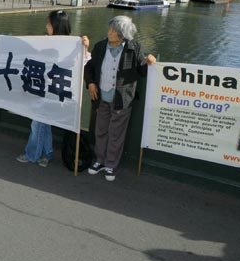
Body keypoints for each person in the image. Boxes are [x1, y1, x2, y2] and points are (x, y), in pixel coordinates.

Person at [84, 15, 156, 182]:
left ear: (122, 34)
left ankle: (111, 164)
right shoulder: (100, 46)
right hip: (101, 96)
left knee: (116, 134)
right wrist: (91, 83)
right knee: (101, 130)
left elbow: (142, 71)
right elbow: (90, 67)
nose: (109, 32)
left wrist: (150, 62)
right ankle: (100, 160)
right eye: (110, 29)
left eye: (113, 30)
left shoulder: (134, 48)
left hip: (122, 100)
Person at [16, 10, 90, 167]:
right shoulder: (48, 41)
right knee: (44, 122)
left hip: (53, 92)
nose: (46, 26)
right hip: (45, 89)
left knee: (37, 123)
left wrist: (84, 47)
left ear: (56, 26)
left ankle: (32, 154)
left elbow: (81, 63)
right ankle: (46, 154)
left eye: (49, 23)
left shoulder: (72, 45)